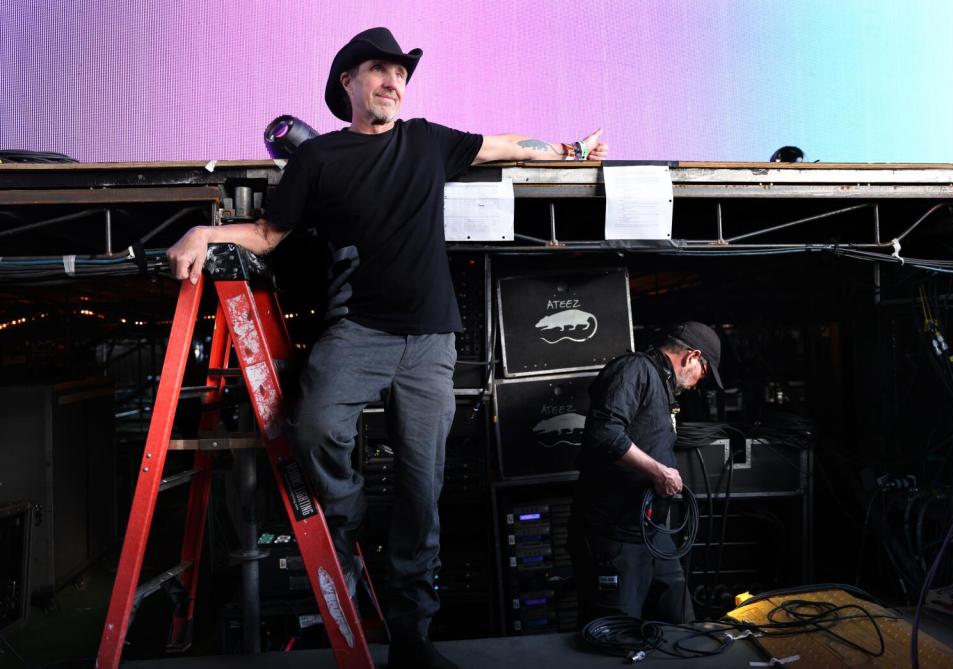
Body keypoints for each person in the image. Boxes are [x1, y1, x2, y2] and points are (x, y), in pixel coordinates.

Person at [166, 27, 608, 669]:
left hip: (430, 340)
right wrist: (202, 230)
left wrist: (572, 150)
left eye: (400, 73)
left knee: (421, 490)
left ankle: (411, 637)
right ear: (347, 83)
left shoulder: (428, 140)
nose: (393, 81)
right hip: (359, 333)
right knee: (315, 426)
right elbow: (266, 234)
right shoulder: (319, 160)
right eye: (378, 70)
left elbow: (505, 145)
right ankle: (344, 528)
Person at [569, 322, 723, 627]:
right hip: (616, 534)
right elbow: (604, 433)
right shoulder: (635, 369)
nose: (697, 384)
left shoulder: (663, 386)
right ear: (692, 356)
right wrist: (658, 471)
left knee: (680, 622)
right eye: (703, 374)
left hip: (652, 532)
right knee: (617, 631)